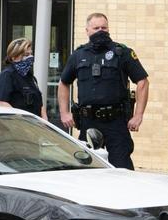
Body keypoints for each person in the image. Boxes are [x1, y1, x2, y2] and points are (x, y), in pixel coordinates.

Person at [58, 13, 149, 169]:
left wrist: (138, 115)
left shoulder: (122, 52)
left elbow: (143, 82)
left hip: (116, 122)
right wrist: (64, 113)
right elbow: (63, 83)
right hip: (88, 122)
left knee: (121, 170)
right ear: (87, 30)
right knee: (87, 170)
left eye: (104, 28)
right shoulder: (79, 55)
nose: (101, 31)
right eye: (96, 28)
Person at [0, 38, 46, 118]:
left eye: (31, 54)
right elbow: (2, 103)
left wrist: (44, 120)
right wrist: (21, 121)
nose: (30, 58)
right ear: (14, 57)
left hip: (35, 126)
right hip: (18, 126)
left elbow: (39, 103)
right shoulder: (7, 75)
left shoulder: (30, 76)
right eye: (26, 55)